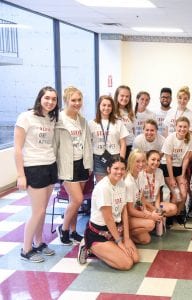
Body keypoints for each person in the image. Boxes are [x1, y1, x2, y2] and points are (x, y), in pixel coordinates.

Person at [15, 86, 59, 262]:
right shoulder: (26, 117)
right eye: (47, 98)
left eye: (54, 99)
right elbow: (17, 148)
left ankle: (39, 242)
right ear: (40, 98)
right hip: (34, 167)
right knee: (37, 211)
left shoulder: (51, 118)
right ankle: (26, 249)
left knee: (43, 210)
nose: (50, 101)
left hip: (50, 165)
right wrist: (20, 175)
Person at [78, 157, 139, 270]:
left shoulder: (121, 184)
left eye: (122, 169)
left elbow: (124, 211)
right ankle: (88, 246)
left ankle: (111, 247)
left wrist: (127, 238)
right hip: (99, 233)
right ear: (108, 169)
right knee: (127, 264)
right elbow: (109, 219)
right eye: (116, 168)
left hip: (115, 230)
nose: (119, 172)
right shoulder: (103, 187)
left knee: (135, 258)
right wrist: (120, 242)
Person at [54, 86, 93, 245]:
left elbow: (87, 144)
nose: (77, 103)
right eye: (73, 100)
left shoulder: (82, 120)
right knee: (77, 200)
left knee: (75, 201)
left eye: (79, 100)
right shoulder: (59, 120)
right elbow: (54, 145)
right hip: (66, 165)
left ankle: (73, 231)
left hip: (82, 164)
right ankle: (63, 229)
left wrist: (89, 165)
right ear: (66, 101)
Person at [160, 116, 192, 220]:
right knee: (177, 195)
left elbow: (186, 159)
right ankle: (170, 217)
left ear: (188, 128)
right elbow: (168, 160)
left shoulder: (191, 139)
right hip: (167, 168)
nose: (182, 129)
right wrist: (171, 178)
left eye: (185, 127)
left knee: (184, 195)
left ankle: (178, 214)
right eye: (180, 126)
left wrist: (183, 176)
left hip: (179, 168)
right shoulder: (170, 139)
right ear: (175, 127)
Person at [89, 95, 128, 182]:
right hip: (98, 158)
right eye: (104, 105)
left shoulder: (118, 123)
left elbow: (123, 143)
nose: (106, 108)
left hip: (115, 157)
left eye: (109, 105)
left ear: (112, 107)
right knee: (102, 185)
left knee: (115, 184)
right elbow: (89, 144)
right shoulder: (91, 123)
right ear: (99, 106)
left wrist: (121, 161)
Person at [124, 150, 160, 244]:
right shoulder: (128, 182)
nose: (141, 164)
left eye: (143, 161)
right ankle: (124, 235)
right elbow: (130, 210)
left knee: (146, 240)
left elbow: (141, 197)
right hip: (126, 216)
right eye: (138, 161)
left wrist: (150, 210)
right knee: (151, 224)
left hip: (136, 210)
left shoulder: (141, 175)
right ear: (131, 162)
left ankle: (131, 235)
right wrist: (149, 215)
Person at [114, 85, 135, 159]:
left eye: (127, 96)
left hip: (130, 146)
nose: (124, 98)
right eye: (122, 96)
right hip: (118, 147)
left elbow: (132, 130)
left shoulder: (130, 112)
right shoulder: (112, 111)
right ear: (117, 96)